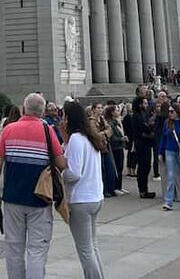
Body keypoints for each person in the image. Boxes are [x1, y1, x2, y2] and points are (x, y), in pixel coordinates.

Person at [0, 92, 66, 279]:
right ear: (41, 112)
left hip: (13, 197)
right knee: (37, 250)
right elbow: (61, 164)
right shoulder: (48, 131)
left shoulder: (8, 130)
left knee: (14, 248)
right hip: (40, 197)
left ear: (24, 109)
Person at [62, 99, 105, 279]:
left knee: (85, 250)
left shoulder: (76, 139)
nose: (62, 119)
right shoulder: (91, 137)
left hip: (81, 199)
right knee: (92, 246)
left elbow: (74, 173)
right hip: (95, 196)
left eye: (64, 115)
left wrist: (60, 173)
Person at [158, 104, 180, 210]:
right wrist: (160, 152)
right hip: (169, 150)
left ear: (177, 112)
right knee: (171, 175)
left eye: (172, 111)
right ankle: (168, 200)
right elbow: (163, 137)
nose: (170, 113)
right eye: (169, 111)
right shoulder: (167, 123)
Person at [130, 95, 156, 199]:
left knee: (146, 166)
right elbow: (144, 128)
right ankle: (143, 190)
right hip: (141, 143)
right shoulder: (137, 116)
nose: (147, 105)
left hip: (146, 142)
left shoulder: (143, 114)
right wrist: (150, 129)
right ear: (140, 105)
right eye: (145, 103)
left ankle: (144, 189)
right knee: (143, 167)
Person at [104, 105, 126, 195]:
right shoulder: (111, 123)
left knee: (120, 166)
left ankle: (119, 186)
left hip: (120, 146)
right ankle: (116, 186)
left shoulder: (118, 122)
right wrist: (121, 139)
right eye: (116, 110)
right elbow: (112, 136)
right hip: (115, 147)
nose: (118, 112)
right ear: (112, 113)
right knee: (116, 167)